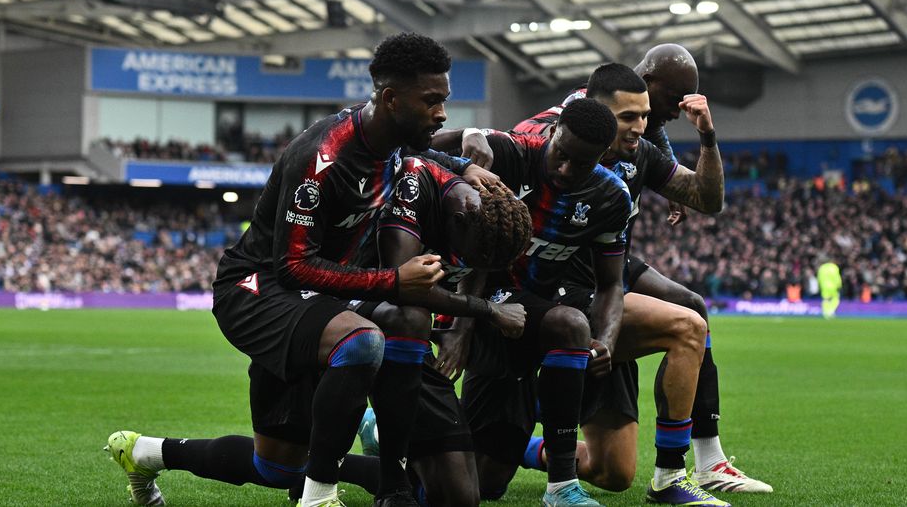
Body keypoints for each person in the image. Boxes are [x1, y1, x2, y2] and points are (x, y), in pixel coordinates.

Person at [105, 32, 496, 507]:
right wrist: (393, 280)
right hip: (257, 288)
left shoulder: (391, 139)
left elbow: (423, 149)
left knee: (274, 465)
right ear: (391, 99)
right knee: (364, 339)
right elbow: (292, 267)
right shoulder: (321, 158)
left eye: (444, 101)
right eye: (432, 101)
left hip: (322, 295)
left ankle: (145, 453)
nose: (442, 113)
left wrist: (462, 166)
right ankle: (319, 497)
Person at [505, 60, 772, 495]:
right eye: (641, 112)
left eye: (648, 114)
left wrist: (706, 136)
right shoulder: (557, 131)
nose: (653, 119)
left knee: (614, 473)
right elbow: (508, 153)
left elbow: (707, 197)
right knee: (687, 323)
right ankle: (673, 475)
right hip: (557, 280)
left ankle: (522, 445)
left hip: (608, 273)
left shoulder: (640, 145)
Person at [450, 99, 633, 507]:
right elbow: (417, 145)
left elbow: (611, 285)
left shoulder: (610, 198)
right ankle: (562, 488)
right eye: (561, 154)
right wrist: (466, 133)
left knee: (482, 486)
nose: (565, 169)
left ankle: (390, 436)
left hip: (527, 325)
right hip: (478, 308)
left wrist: (606, 337)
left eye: (580, 164)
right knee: (569, 324)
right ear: (551, 133)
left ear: (602, 157)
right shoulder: (512, 153)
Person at [355, 156, 534, 506]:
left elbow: (477, 266)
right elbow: (402, 287)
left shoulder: (482, 214)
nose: (469, 265)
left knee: (463, 497)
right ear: (458, 221)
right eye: (472, 255)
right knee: (278, 464)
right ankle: (350, 455)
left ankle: (379, 431)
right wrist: (489, 310)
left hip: (409, 334)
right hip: (349, 309)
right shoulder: (413, 189)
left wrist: (461, 330)